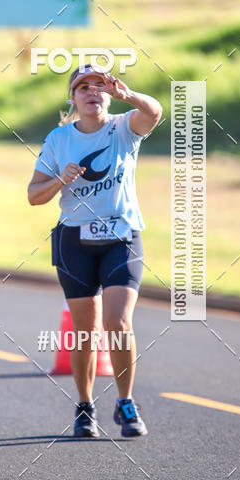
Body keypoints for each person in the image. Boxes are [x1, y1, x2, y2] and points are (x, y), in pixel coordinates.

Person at [27, 65, 162, 439]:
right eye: (83, 87)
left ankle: (125, 401)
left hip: (122, 238)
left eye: (99, 86)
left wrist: (130, 95)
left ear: (109, 92)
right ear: (72, 98)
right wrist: (60, 179)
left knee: (117, 323)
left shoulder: (123, 127)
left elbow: (154, 113)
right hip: (76, 244)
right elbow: (33, 195)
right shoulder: (58, 139)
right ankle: (85, 406)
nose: (92, 92)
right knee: (85, 332)